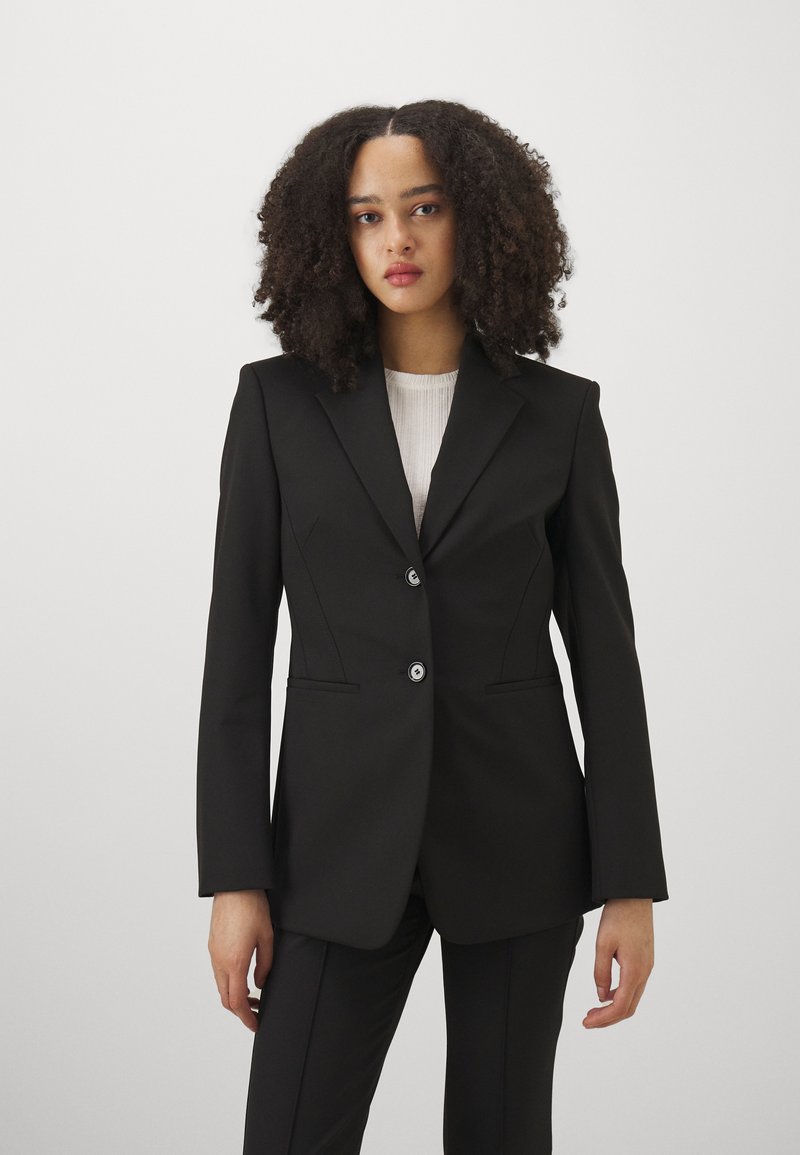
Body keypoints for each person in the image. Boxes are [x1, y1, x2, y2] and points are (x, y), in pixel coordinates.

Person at [196, 99, 669, 1154]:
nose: (396, 240)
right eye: (366, 216)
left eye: (424, 208)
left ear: (482, 220)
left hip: (519, 841)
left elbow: (606, 660)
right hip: (330, 850)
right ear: (331, 234)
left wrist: (626, 882)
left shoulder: (557, 417)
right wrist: (236, 876)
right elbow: (236, 653)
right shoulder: (274, 407)